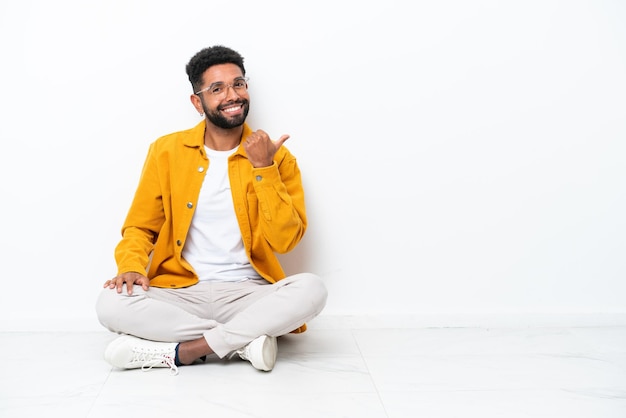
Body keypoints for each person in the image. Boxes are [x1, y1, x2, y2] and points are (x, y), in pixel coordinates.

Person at [96, 45, 328, 375]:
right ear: (197, 102)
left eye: (239, 83)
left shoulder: (278, 158)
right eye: (217, 89)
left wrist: (263, 168)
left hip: (248, 293)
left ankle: (185, 351)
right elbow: (140, 226)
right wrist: (131, 265)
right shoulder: (166, 151)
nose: (232, 95)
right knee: (109, 304)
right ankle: (244, 340)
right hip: (180, 292)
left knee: (312, 290)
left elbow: (285, 241)